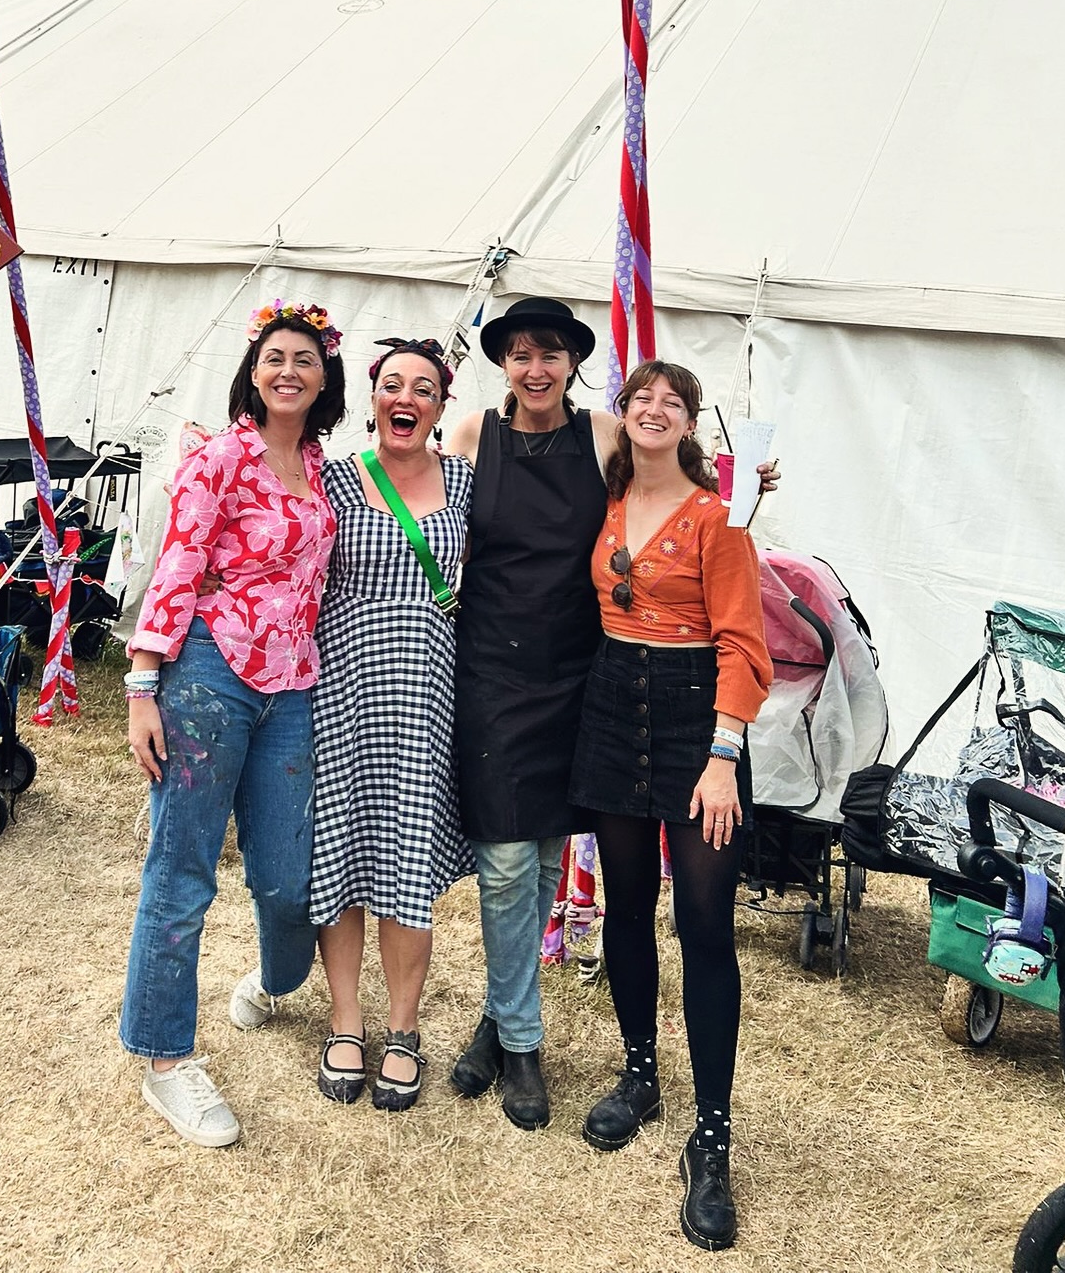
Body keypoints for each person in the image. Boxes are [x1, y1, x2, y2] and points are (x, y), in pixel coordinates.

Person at [444, 296, 777, 1132]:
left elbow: (731, 614)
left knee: (629, 897)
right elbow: (431, 511)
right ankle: (553, 1043)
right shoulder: (497, 444)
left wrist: (743, 490)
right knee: (542, 877)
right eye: (520, 353)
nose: (535, 368)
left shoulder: (623, 455)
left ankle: (704, 1120)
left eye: (551, 353)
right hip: (542, 687)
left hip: (620, 694)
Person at [119, 302, 344, 1148]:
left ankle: (277, 982)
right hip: (209, 678)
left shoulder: (321, 468)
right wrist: (143, 685)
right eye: (274, 357)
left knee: (289, 879)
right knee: (183, 871)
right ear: (253, 372)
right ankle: (165, 1058)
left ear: (324, 380)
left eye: (305, 360)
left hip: (294, 687)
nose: (289, 371)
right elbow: (177, 566)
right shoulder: (220, 457)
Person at [569, 360, 771, 1253]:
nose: (654, 410)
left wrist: (723, 759)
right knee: (625, 910)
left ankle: (712, 1136)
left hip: (697, 725)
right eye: (641, 398)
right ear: (622, 412)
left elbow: (744, 644)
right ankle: (641, 1073)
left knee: (704, 927)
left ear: (692, 423)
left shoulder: (720, 519)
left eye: (673, 402)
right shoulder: (607, 495)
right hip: (612, 706)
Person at [309, 339, 473, 1112]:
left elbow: (579, 480)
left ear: (440, 407)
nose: (407, 397)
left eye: (425, 388)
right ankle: (345, 1020)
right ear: (373, 397)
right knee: (338, 853)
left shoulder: (466, 480)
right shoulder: (334, 477)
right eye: (393, 384)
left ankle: (403, 1029)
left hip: (425, 697)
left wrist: (711, 475)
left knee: (407, 860)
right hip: (342, 688)